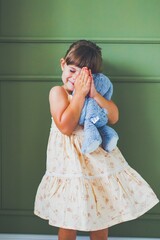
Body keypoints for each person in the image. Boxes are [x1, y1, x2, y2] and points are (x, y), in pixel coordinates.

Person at [34, 40, 159, 240]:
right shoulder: (57, 93)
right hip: (69, 166)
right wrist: (80, 95)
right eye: (71, 70)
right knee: (67, 218)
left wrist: (94, 94)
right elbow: (65, 127)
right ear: (62, 64)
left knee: (101, 214)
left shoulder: (94, 94)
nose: (74, 79)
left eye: (82, 75)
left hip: (96, 162)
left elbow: (114, 116)